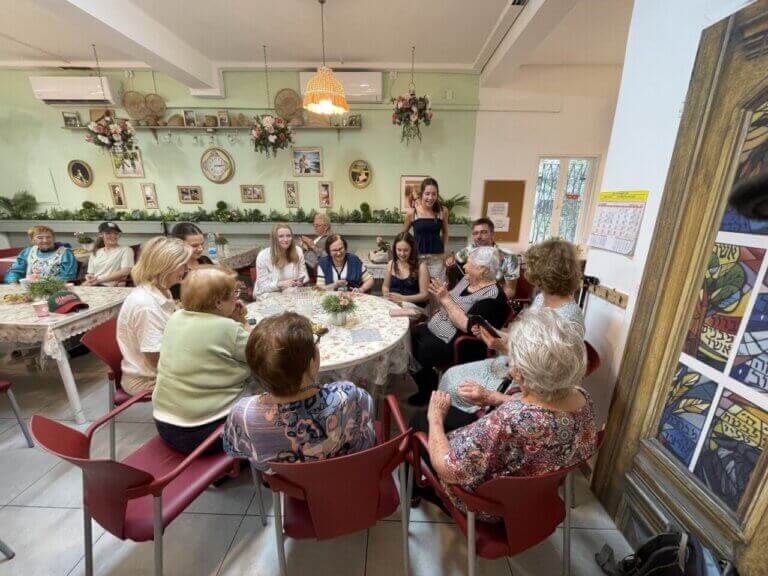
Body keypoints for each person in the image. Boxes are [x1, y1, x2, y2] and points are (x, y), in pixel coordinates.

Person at [413, 308, 597, 519]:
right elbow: (542, 412)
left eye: (514, 362)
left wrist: (435, 418)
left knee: (420, 420)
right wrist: (494, 398)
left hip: (488, 505)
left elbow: (449, 471)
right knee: (454, 417)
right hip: (535, 496)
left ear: (524, 373)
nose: (510, 370)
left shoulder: (507, 420)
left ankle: (422, 490)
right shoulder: (583, 399)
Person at [438, 238, 584, 413]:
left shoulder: (567, 319)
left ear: (545, 274)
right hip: (513, 365)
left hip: (532, 387)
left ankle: (465, 422)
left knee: (456, 388)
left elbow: (543, 373)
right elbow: (523, 338)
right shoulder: (542, 298)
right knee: (450, 376)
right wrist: (493, 332)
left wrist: (503, 347)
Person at [223, 312, 376, 470]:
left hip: (286, 482)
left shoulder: (243, 413)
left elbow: (233, 449)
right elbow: (366, 439)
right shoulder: (347, 394)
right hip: (345, 474)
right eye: (315, 344)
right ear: (312, 362)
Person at [153, 266, 252, 454]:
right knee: (269, 385)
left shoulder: (175, 318)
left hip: (165, 426)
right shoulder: (227, 328)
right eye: (234, 293)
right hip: (205, 434)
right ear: (218, 303)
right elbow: (261, 354)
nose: (237, 298)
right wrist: (243, 323)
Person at [409, 246, 510, 406]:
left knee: (422, 349)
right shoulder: (467, 280)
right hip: (440, 328)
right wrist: (442, 299)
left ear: (483, 270)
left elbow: (467, 326)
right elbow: (451, 300)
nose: (464, 266)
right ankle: (427, 385)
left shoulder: (492, 297)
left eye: (469, 263)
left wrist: (445, 299)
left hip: (460, 342)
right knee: (409, 336)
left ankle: (428, 391)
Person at [117, 237, 193, 395]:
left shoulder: (161, 290)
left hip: (159, 369)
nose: (187, 269)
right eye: (183, 265)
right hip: (147, 380)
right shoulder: (146, 305)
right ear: (166, 266)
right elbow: (155, 359)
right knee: (222, 379)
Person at [446, 218, 519, 298]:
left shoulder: (509, 257)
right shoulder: (469, 250)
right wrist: (450, 260)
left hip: (495, 298)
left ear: (492, 234)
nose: (479, 237)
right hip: (470, 296)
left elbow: (510, 290)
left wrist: (494, 302)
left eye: (483, 232)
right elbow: (453, 259)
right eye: (475, 233)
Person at [402, 178, 449, 280]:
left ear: (437, 195)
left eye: (434, 194)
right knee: (417, 288)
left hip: (436, 259)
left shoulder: (443, 211)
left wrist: (445, 252)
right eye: (427, 194)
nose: (430, 197)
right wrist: (404, 254)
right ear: (422, 194)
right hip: (417, 258)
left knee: (436, 288)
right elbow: (403, 235)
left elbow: (445, 233)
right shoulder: (412, 213)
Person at [4, 225, 78, 284]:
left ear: (53, 238)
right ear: (33, 240)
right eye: (40, 238)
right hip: (29, 289)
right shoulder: (27, 252)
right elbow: (15, 271)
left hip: (55, 290)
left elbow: (68, 277)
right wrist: (13, 282)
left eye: (48, 237)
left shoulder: (65, 253)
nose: (45, 240)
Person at [254, 223, 307, 296]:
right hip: (268, 292)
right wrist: (280, 284)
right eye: (281, 236)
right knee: (281, 298)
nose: (286, 239)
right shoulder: (263, 256)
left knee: (292, 293)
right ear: (274, 239)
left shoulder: (298, 251)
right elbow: (262, 287)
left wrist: (300, 282)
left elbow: (303, 274)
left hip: (290, 289)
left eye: (288, 236)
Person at [382, 232, 429, 308]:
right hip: (393, 304)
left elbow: (425, 295)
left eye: (406, 250)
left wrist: (403, 298)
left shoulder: (421, 266)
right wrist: (387, 296)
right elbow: (385, 287)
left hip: (414, 307)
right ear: (395, 249)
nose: (402, 254)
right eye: (399, 250)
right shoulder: (391, 264)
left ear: (412, 249)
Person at [82, 222, 134, 287]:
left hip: (108, 287)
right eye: (108, 233)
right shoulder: (95, 252)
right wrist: (89, 276)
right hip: (93, 285)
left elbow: (125, 271)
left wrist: (99, 280)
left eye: (116, 233)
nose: (113, 236)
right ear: (101, 234)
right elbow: (91, 273)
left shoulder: (126, 250)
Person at [170, 222, 213, 299]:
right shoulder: (173, 270)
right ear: (178, 244)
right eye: (194, 245)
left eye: (202, 244)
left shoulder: (205, 261)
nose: (200, 249)